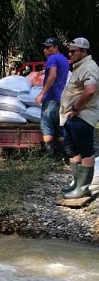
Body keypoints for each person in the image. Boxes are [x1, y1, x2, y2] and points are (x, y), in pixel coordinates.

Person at [58, 37, 99, 198]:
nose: (70, 53)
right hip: (71, 117)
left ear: (84, 51)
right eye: (69, 50)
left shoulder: (89, 66)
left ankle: (82, 189)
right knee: (71, 150)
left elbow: (90, 90)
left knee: (86, 152)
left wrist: (75, 107)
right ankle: (76, 184)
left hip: (82, 116)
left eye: (74, 51)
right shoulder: (79, 67)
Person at [35, 37, 70, 158]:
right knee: (59, 126)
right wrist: (44, 71)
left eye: (48, 47)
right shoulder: (64, 59)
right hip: (61, 97)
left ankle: (49, 156)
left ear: (56, 47)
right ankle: (62, 154)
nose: (45, 50)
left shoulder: (52, 58)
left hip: (51, 97)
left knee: (47, 125)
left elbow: (53, 75)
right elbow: (58, 73)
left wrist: (42, 93)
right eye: (44, 47)